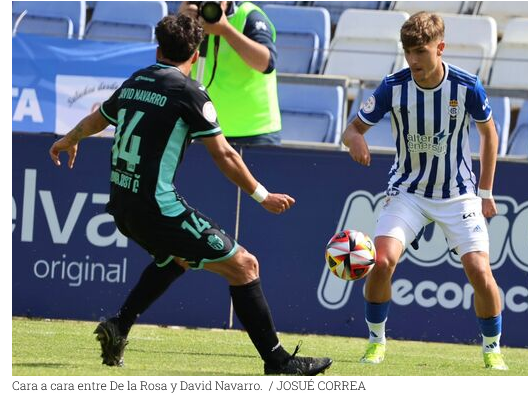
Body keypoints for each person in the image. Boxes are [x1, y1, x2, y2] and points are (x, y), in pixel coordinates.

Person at [49, 14, 331, 376]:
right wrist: (263, 196)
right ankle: (279, 362)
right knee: (245, 266)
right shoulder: (188, 92)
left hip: (122, 205)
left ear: (157, 48)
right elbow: (226, 155)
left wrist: (70, 138)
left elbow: (100, 119)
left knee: (176, 258)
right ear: (196, 55)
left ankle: (119, 325)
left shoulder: (136, 80)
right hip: (157, 208)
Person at [341, 11, 508, 370]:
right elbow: (352, 128)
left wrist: (486, 190)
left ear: (440, 48)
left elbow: (489, 133)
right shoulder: (393, 86)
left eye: (421, 51)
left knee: (480, 271)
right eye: (408, 51)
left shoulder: (466, 86)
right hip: (408, 192)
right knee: (381, 261)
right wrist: (355, 140)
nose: (413, 60)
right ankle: (376, 341)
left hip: (458, 193)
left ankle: (492, 348)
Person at [180, 1, 282, 146]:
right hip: (207, 128)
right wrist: (183, 26)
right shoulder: (193, 20)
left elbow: (266, 63)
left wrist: (225, 30)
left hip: (255, 131)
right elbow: (173, 67)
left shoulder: (248, 15)